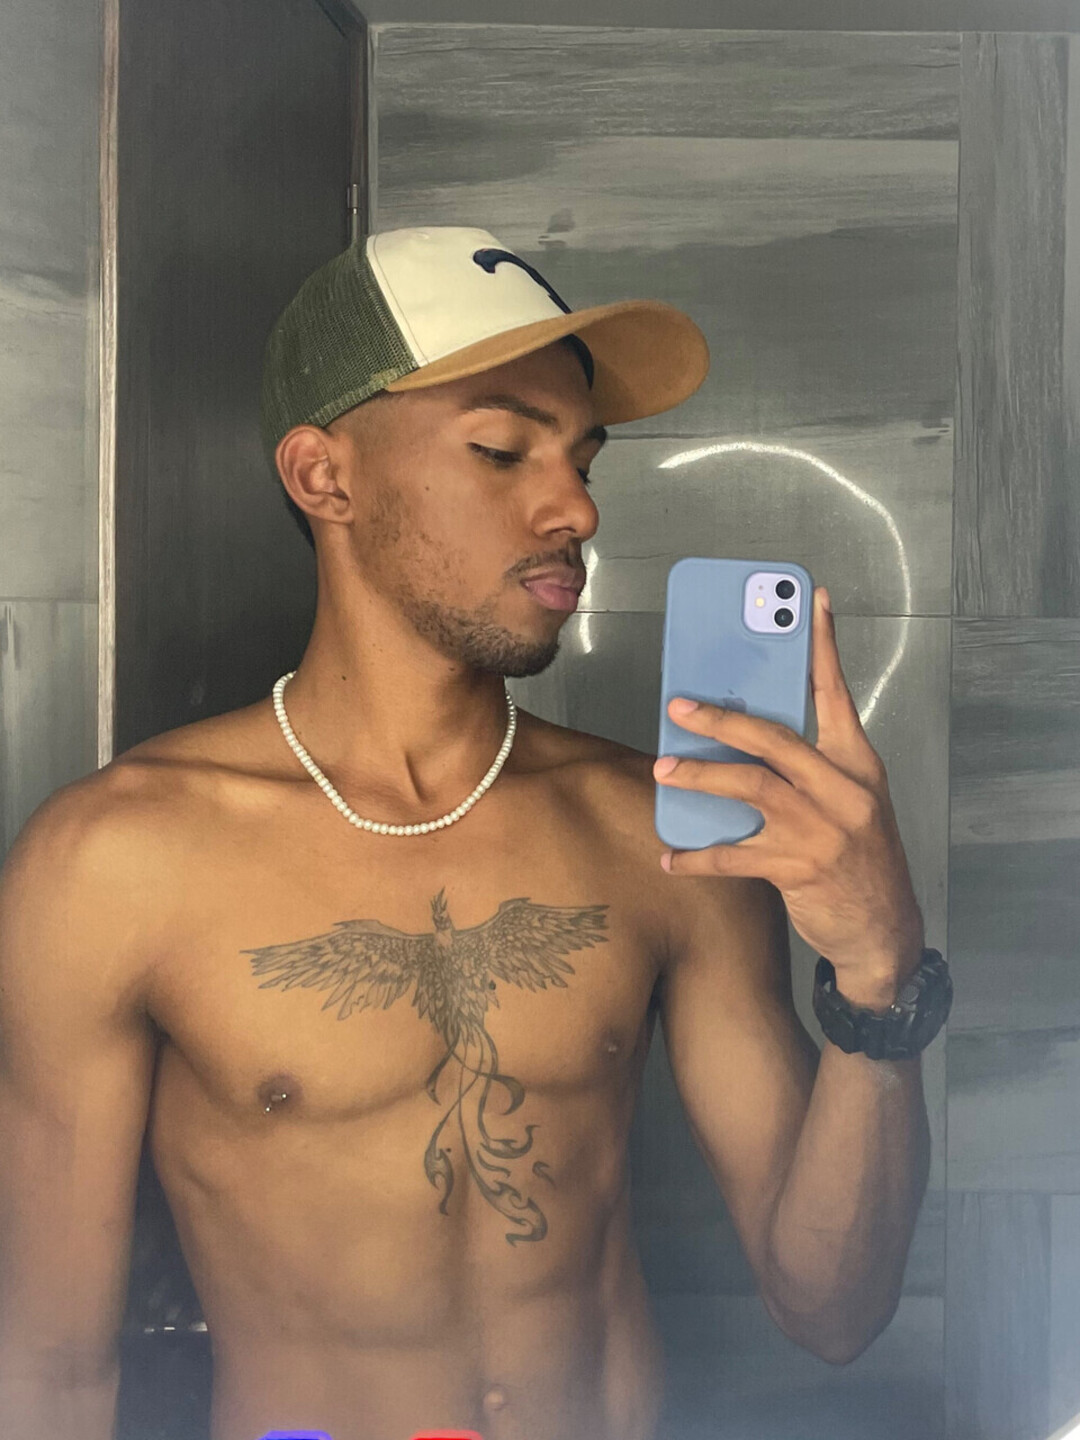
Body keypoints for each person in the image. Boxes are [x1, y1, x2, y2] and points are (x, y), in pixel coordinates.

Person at [0, 226, 947, 1440]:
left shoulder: (657, 836)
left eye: (583, 459)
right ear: (323, 476)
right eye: (502, 449)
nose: (577, 508)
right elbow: (48, 1371)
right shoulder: (115, 861)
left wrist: (879, 974)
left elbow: (834, 1308)